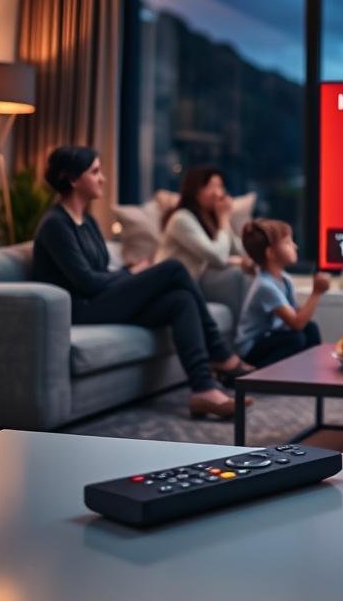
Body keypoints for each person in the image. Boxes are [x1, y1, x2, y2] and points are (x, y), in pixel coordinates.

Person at [32, 146, 252, 420]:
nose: (103, 178)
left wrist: (128, 271)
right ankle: (220, 353)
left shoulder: (87, 220)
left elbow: (100, 270)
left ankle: (203, 390)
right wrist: (130, 274)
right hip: (81, 308)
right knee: (173, 268)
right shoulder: (55, 224)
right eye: (95, 172)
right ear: (74, 179)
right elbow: (87, 281)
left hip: (99, 299)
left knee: (181, 301)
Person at [235, 219, 330, 368]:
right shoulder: (265, 286)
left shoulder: (285, 279)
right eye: (287, 243)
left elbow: (295, 315)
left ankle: (311, 370)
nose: (295, 246)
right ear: (271, 253)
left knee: (310, 328)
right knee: (295, 338)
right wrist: (316, 292)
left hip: (271, 336)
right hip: (251, 347)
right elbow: (296, 324)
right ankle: (259, 372)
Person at [157, 166, 246, 278]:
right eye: (210, 186)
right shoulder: (181, 218)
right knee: (238, 275)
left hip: (194, 280)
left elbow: (238, 251)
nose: (218, 193)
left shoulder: (211, 218)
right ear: (195, 191)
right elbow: (218, 257)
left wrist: (225, 220)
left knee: (245, 272)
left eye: (220, 186)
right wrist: (223, 219)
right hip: (171, 282)